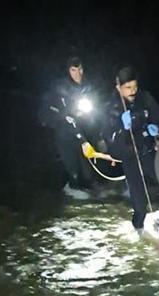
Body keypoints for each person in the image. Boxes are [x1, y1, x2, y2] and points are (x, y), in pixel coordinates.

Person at [102, 66, 159, 234]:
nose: (132, 91)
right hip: (130, 158)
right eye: (128, 87)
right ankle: (139, 237)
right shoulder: (111, 108)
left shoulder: (144, 98)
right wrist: (122, 129)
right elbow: (111, 145)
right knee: (140, 208)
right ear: (118, 88)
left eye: (135, 86)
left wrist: (156, 126)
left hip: (148, 152)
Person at [38, 56, 102, 199]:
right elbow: (63, 113)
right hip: (64, 132)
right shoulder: (61, 87)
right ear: (68, 71)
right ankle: (70, 189)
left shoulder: (88, 86)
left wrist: (98, 137)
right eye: (73, 70)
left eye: (80, 69)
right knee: (72, 167)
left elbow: (95, 111)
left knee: (87, 168)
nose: (77, 73)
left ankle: (89, 187)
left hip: (83, 129)